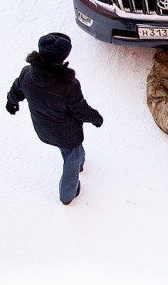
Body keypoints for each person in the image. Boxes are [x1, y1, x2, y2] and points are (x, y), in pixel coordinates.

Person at [6, 33, 103, 205]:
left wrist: (11, 102)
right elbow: (80, 110)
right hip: (66, 134)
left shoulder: (27, 73)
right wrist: (96, 118)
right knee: (70, 159)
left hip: (42, 128)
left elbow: (17, 89)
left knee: (73, 152)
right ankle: (67, 194)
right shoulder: (69, 85)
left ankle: (80, 163)